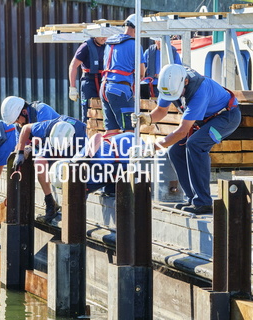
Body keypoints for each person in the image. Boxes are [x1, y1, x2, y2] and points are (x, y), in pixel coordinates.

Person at [132, 64, 241, 214]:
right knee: (175, 151)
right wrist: (148, 118)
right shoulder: (168, 84)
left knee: (196, 144)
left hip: (226, 117)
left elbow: (181, 131)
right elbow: (162, 110)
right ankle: (192, 198)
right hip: (206, 120)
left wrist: (154, 147)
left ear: (186, 82)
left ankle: (203, 202)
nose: (174, 98)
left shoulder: (200, 91)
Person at [12, 115, 87, 223]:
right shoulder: (47, 127)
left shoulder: (82, 138)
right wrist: (20, 151)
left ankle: (70, 208)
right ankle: (50, 203)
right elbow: (26, 128)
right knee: (39, 162)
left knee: (71, 173)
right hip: (50, 145)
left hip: (72, 152)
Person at [100, 14, 145, 135]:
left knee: (111, 130)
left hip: (104, 88)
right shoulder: (135, 44)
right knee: (130, 129)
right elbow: (141, 73)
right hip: (120, 90)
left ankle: (107, 152)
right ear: (136, 28)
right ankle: (128, 153)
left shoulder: (110, 43)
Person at [69, 37, 107, 122]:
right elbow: (73, 66)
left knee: (105, 111)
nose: (104, 38)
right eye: (102, 36)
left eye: (106, 36)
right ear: (95, 35)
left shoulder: (107, 46)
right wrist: (72, 88)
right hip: (89, 82)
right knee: (87, 111)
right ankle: (87, 131)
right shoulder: (85, 47)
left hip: (103, 82)